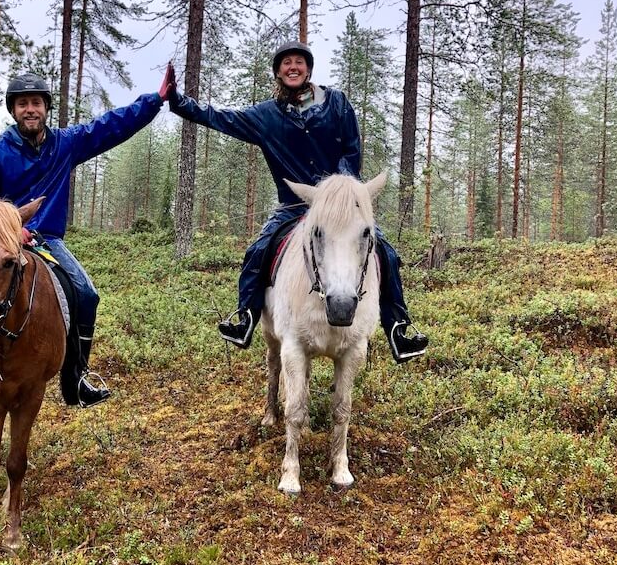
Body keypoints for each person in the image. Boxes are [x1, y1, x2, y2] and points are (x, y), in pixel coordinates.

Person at [0, 70, 174, 405]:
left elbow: (110, 126)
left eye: (36, 103)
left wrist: (155, 101)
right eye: (23, 103)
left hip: (46, 240)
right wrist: (8, 229)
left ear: (46, 108)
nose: (30, 109)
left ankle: (77, 379)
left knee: (86, 293)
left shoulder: (65, 146)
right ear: (13, 110)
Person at [168, 41, 429, 362]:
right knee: (257, 251)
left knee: (386, 253)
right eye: (286, 63)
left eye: (299, 62)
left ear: (308, 69)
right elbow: (220, 118)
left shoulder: (337, 103)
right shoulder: (265, 116)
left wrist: (338, 189)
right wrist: (177, 101)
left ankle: (398, 328)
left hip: (340, 207)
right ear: (278, 72)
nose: (293, 67)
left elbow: (352, 149)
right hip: (292, 207)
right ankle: (245, 317)